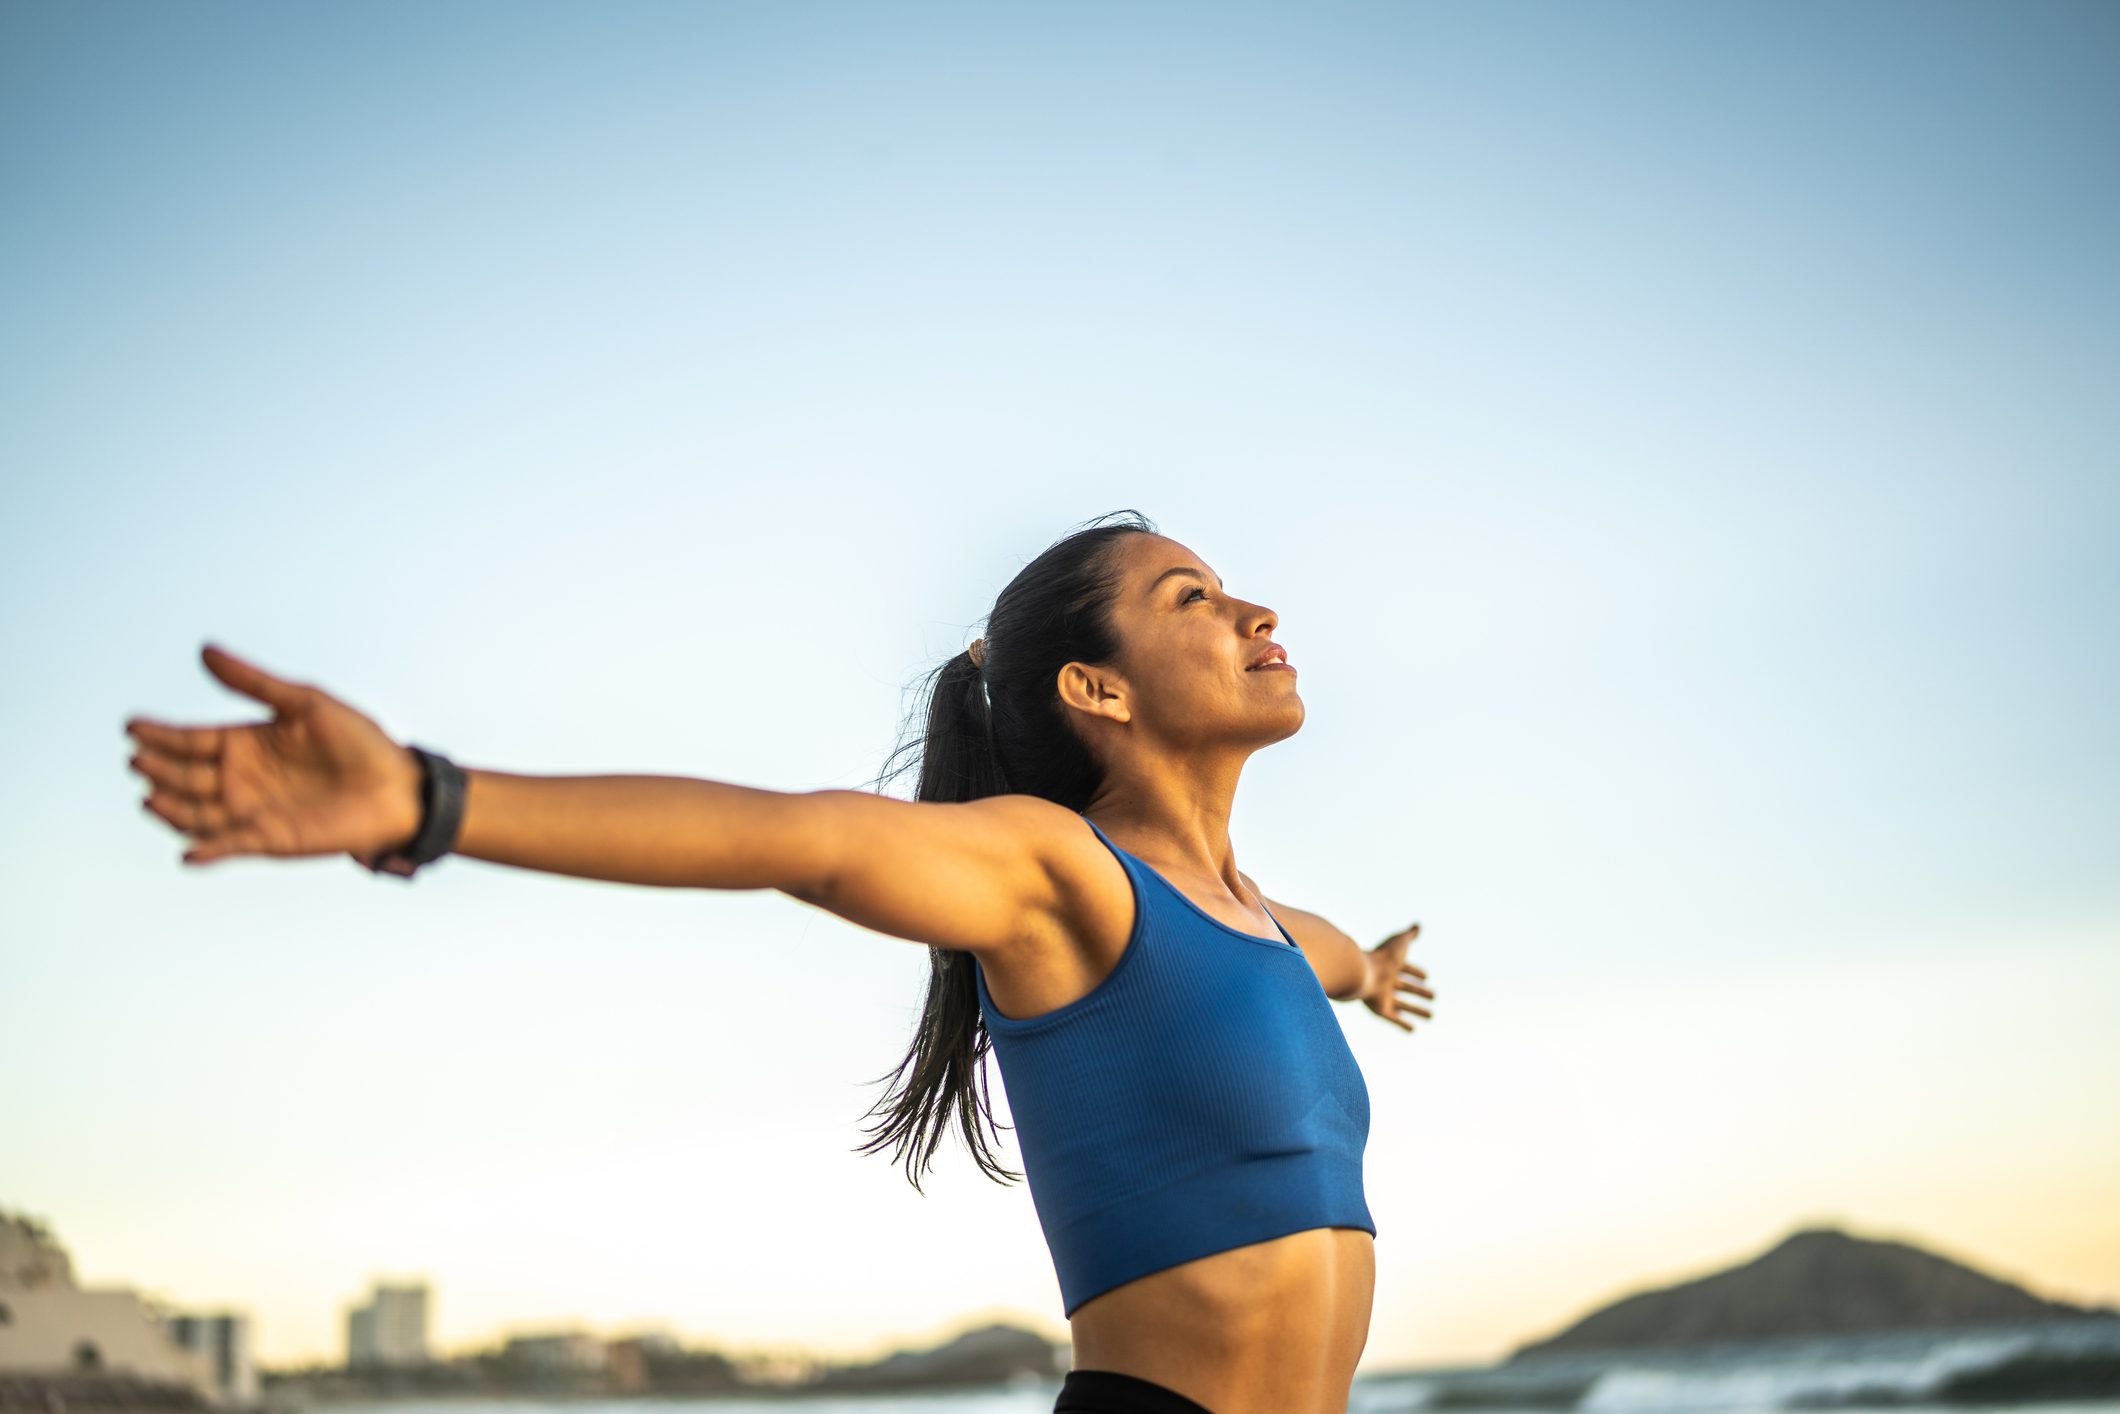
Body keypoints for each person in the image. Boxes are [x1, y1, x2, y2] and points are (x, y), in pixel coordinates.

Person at [124, 509, 1436, 1414]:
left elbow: (1315, 960)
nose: (1256, 608)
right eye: (1194, 597)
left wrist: (1369, 971)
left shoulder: (1264, 922)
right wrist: (428, 800)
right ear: (1097, 687)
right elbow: (796, 840)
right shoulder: (1057, 874)